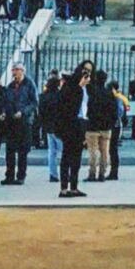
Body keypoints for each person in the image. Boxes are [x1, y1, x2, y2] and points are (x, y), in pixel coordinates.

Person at [0, 62, 35, 184]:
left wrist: (23, 112)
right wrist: (4, 112)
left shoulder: (29, 84)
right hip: (11, 121)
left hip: (24, 121)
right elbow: (6, 101)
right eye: (13, 70)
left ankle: (21, 176)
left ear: (22, 71)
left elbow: (34, 102)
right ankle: (9, 175)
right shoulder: (10, 86)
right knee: (10, 149)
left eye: (16, 70)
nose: (14, 73)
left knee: (22, 151)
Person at [52, 64, 87, 198]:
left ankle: (73, 186)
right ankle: (64, 188)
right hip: (70, 127)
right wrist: (79, 87)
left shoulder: (79, 90)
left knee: (76, 158)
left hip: (78, 126)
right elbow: (71, 108)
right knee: (67, 157)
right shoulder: (72, 90)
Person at [82, 63, 116, 183]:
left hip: (92, 125)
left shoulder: (92, 91)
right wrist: (112, 122)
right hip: (106, 126)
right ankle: (102, 173)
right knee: (104, 152)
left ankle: (92, 174)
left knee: (93, 152)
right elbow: (114, 110)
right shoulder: (109, 93)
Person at [38, 72, 66, 183]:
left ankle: (53, 174)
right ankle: (65, 172)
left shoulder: (43, 96)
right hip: (59, 127)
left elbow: (41, 113)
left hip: (48, 127)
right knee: (64, 151)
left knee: (52, 152)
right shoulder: (60, 96)